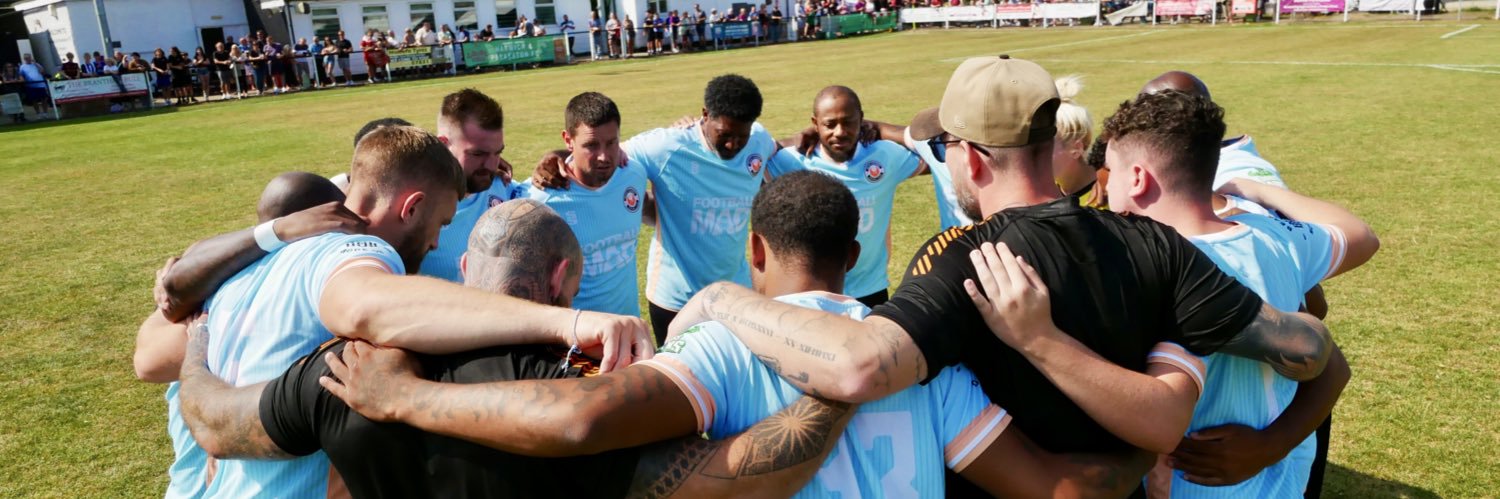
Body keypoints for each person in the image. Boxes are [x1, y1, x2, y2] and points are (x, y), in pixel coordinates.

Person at [668, 56, 1339, 495]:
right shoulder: (1156, 243)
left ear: (970, 159)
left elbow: (857, 367)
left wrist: (723, 299)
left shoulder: (967, 259)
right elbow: (1308, 346)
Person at [323, 171, 1157, 498]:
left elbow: (578, 418)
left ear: (754, 250)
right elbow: (1061, 488)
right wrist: (1149, 450)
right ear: (854, 256)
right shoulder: (922, 363)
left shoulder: (719, 344)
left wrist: (405, 398)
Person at [176, 198, 853, 498]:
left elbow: (211, 422)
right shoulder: (585, 389)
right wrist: (841, 385)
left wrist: (198, 338)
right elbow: (730, 480)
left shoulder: (349, 367)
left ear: (465, 271)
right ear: (561, 282)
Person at [136, 126, 651, 497]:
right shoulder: (358, 253)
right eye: (441, 222)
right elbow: (368, 307)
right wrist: (568, 321)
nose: (436, 243)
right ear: (412, 207)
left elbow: (158, 366)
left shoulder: (249, 267)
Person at [1097, 90, 1371, 499]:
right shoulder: (1273, 237)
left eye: (1110, 171)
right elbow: (1359, 234)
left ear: (1137, 178)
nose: (1105, 188)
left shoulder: (1145, 267)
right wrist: (1256, 192)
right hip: (1279, 486)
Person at [135, 172, 357, 499]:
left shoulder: (217, 285)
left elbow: (147, 356)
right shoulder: (290, 298)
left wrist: (172, 298)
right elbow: (148, 362)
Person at [768, 86, 927, 307]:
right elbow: (751, 155)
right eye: (830, 124)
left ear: (861, 120)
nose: (840, 132)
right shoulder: (791, 161)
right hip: (813, 289)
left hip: (870, 288)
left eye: (848, 122)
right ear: (815, 123)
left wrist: (880, 128)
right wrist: (789, 141)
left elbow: (933, 150)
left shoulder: (884, 155)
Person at [516, 93, 647, 317]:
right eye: (591, 145)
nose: (604, 156)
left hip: (629, 327)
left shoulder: (634, 175)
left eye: (611, 143)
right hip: (574, 335)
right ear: (568, 140)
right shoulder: (539, 200)